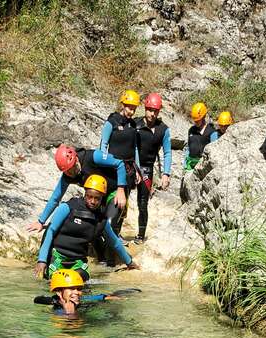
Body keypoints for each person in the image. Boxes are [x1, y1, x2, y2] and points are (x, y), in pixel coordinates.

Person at [34, 175, 139, 280]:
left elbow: (114, 242)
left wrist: (129, 262)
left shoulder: (101, 219)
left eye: (97, 198)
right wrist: (42, 260)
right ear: (85, 194)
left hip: (78, 262)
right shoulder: (68, 207)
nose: (93, 201)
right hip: (57, 258)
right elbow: (50, 231)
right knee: (58, 282)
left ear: (102, 197)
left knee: (80, 282)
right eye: (89, 196)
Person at [26, 145, 127, 235]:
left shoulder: (92, 157)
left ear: (76, 160)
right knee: (92, 225)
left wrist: (121, 189)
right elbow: (55, 198)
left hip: (114, 190)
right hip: (95, 197)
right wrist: (41, 222)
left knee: (109, 225)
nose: (70, 174)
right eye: (66, 172)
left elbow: (119, 164)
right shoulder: (67, 174)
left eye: (71, 169)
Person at [100, 89, 142, 254]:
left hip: (129, 169)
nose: (131, 111)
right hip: (113, 168)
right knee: (112, 201)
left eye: (134, 108)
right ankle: (106, 232)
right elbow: (103, 144)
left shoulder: (133, 125)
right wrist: (104, 163)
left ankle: (116, 233)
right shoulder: (112, 121)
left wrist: (137, 170)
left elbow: (135, 149)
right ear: (122, 105)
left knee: (124, 204)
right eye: (129, 107)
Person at [134, 92, 172, 244]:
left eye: (155, 111)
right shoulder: (135, 124)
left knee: (142, 203)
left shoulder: (163, 130)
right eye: (150, 110)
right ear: (145, 108)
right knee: (120, 200)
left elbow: (167, 152)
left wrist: (166, 173)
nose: (152, 114)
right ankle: (116, 234)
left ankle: (141, 235)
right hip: (131, 166)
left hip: (147, 169)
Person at [34, 269, 141, 317]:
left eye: (79, 289)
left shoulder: (83, 300)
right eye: (71, 289)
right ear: (58, 292)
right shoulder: (54, 303)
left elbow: (97, 297)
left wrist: (115, 298)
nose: (77, 292)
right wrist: (70, 313)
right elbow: (37, 299)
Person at [182, 102, 218, 172]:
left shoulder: (212, 132)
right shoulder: (191, 130)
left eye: (198, 120)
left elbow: (214, 153)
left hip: (202, 166)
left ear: (204, 117)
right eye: (195, 120)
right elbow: (188, 147)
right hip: (190, 164)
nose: (196, 122)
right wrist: (185, 164)